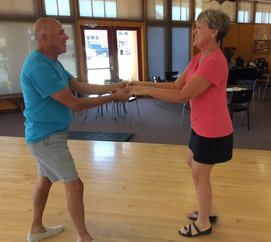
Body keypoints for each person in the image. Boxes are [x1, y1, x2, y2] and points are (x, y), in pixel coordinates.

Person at [20, 17, 131, 242]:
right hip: (46, 139)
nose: (66, 36)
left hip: (49, 136)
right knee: (75, 185)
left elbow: (79, 86)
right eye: (61, 32)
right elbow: (75, 103)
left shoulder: (51, 61)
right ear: (44, 37)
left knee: (44, 180)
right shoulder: (38, 66)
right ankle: (84, 237)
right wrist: (114, 98)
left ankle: (36, 229)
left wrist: (113, 86)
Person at [129, 9, 232, 237]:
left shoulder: (214, 61)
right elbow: (177, 86)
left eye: (199, 26)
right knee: (192, 163)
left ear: (213, 32)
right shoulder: (199, 57)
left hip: (213, 130)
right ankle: (209, 209)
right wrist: (141, 82)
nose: (194, 30)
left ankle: (204, 222)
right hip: (200, 126)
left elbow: (181, 96)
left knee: (199, 175)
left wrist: (144, 90)